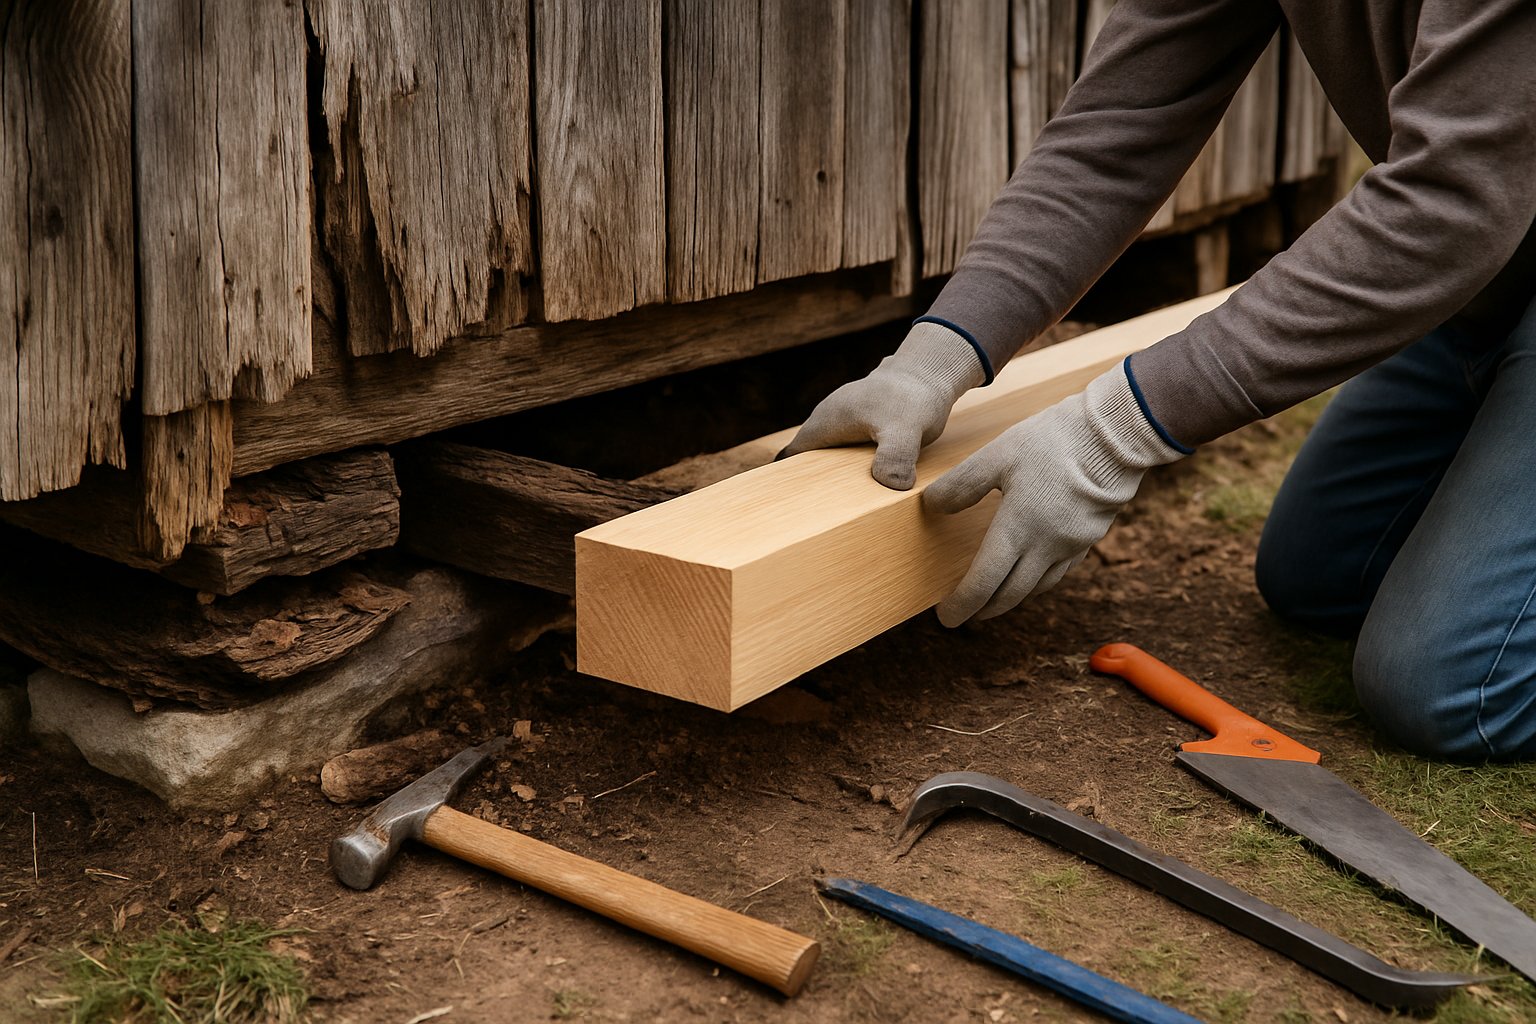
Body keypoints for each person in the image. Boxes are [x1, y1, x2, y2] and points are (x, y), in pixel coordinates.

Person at [780, 0, 1536, 761]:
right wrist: (931, 360)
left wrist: (1112, 431)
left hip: (1479, 241)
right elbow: (1117, 127)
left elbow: (1449, 199)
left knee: (1451, 691)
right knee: (1318, 579)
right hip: (1488, 283)